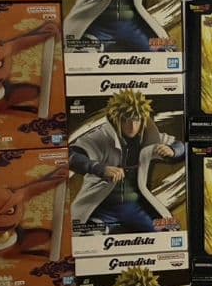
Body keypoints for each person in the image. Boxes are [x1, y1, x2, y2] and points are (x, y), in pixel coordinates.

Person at [70, 89, 185, 235]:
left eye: (136, 119)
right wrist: (100, 168)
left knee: (169, 232)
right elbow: (72, 156)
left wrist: (173, 150)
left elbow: (180, 146)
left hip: (135, 207)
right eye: (125, 120)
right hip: (101, 209)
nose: (132, 126)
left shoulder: (148, 136)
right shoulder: (101, 137)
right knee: (87, 235)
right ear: (116, 118)